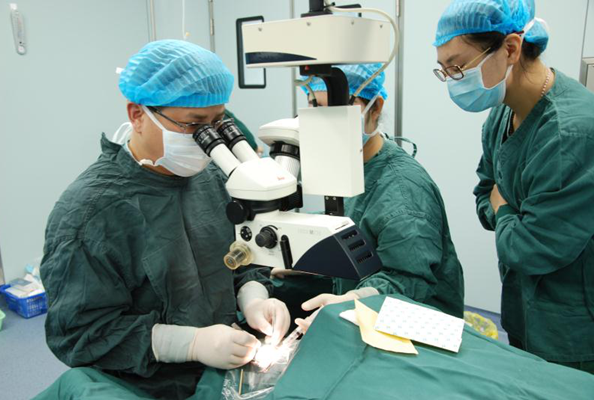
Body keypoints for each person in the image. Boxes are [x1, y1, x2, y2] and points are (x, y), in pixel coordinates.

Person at [35, 40, 290, 399]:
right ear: (137, 115)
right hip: (144, 381)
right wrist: (190, 343)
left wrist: (254, 298)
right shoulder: (89, 214)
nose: (208, 140)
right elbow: (80, 334)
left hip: (224, 364)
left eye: (217, 123)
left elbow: (241, 256)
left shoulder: (215, 177)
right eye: (193, 125)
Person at [433, 0, 594, 373]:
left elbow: (529, 249)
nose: (454, 80)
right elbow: (483, 195)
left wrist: (504, 208)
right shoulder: (502, 114)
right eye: (445, 71)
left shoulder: (572, 132)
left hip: (572, 330)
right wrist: (506, 214)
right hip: (524, 308)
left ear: (510, 48)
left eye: (457, 66)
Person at [274, 64, 465, 332]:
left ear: (375, 109)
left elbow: (408, 281)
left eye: (337, 110)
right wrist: (304, 253)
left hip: (414, 329)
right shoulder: (352, 164)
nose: (326, 123)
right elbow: (353, 223)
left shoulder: (403, 192)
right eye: (315, 107)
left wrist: (354, 300)